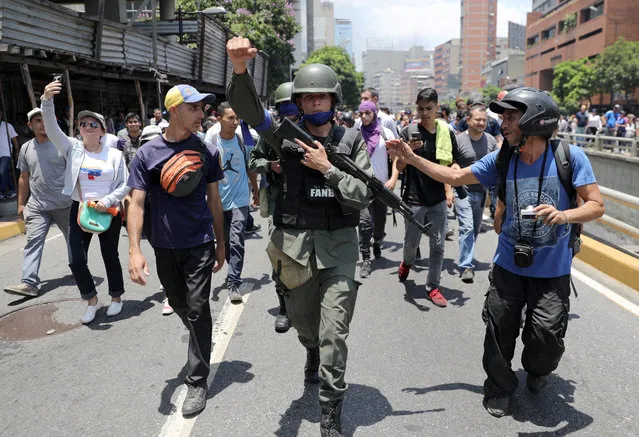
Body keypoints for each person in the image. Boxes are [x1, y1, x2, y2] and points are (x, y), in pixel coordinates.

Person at [386, 87, 604, 418]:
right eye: (501, 117)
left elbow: (596, 205)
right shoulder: (503, 158)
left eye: (511, 117)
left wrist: (565, 215)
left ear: (533, 119)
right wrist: (413, 158)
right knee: (499, 331)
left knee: (546, 340)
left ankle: (536, 368)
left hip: (553, 269)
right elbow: (456, 175)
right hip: (508, 266)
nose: (502, 123)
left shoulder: (570, 157)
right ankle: (500, 388)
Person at [226, 36, 372, 437]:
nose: (314, 105)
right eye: (307, 99)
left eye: (321, 98)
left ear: (333, 101)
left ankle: (330, 407)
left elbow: (363, 195)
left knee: (334, 333)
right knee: (305, 326)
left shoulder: (351, 140)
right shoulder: (284, 135)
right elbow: (251, 113)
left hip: (340, 249)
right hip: (295, 250)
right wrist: (240, 70)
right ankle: (309, 351)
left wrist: (328, 168)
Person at [127, 84, 225, 417]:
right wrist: (134, 250)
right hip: (164, 245)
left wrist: (221, 242)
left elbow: (215, 200)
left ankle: (198, 380)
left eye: (203, 109)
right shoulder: (147, 154)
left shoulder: (207, 151)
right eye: (195, 108)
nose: (202, 114)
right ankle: (201, 335)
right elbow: (136, 203)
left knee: (197, 307)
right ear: (175, 110)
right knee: (182, 304)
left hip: (199, 243)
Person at [41, 81, 129, 324]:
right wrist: (46, 101)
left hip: (108, 211)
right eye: (83, 123)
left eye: (93, 124)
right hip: (79, 210)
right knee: (76, 260)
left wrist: (108, 200)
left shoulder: (114, 154)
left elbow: (125, 184)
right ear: (78, 129)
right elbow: (50, 129)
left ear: (102, 130)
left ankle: (116, 298)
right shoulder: (73, 148)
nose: (88, 126)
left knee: (110, 255)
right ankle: (90, 300)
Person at [396, 87, 460, 308]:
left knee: (438, 245)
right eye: (420, 108)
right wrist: (408, 154)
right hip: (413, 199)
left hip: (437, 201)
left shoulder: (446, 132)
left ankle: (433, 287)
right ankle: (407, 263)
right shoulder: (408, 131)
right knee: (411, 244)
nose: (424, 113)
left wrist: (449, 190)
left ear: (437, 108)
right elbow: (399, 166)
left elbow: (451, 164)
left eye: (429, 109)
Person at [4, 108, 72, 297]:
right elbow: (23, 178)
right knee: (33, 242)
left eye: (45, 119)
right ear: (30, 125)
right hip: (37, 206)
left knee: (73, 243)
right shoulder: (26, 148)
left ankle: (80, 270)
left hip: (64, 204)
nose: (42, 123)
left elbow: (76, 174)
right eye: (37, 120)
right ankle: (29, 282)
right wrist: (20, 203)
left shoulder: (64, 144)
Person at [248, 81, 298, 333]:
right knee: (279, 260)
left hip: (311, 207)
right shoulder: (271, 134)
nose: (289, 112)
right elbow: (254, 159)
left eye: (293, 106)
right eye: (284, 107)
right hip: (280, 205)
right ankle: (284, 309)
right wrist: (270, 165)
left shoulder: (313, 130)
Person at [207, 101, 257, 303]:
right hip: (219, 200)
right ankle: (232, 270)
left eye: (237, 118)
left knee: (237, 240)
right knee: (225, 241)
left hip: (240, 198)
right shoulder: (211, 142)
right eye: (230, 118)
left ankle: (234, 281)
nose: (235, 122)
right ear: (219, 119)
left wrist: (256, 190)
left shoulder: (241, 139)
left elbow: (250, 166)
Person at [453, 104, 497, 283]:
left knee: (475, 228)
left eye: (484, 120)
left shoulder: (491, 141)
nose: (481, 123)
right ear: (468, 120)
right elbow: (451, 162)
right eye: (478, 119)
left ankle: (467, 255)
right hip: (462, 191)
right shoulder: (458, 140)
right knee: (467, 227)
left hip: (482, 192)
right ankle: (466, 266)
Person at [357, 100, 396, 278]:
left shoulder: (385, 133)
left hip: (381, 186)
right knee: (364, 224)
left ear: (374, 114)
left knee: (379, 225)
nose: (364, 116)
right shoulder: (356, 134)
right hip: (361, 186)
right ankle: (365, 258)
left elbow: (396, 158)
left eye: (368, 113)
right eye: (361, 113)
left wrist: (393, 179)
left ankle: (378, 241)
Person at [0, 108, 19, 200]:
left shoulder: (7, 126)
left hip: (6, 153)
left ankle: (1, 191)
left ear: (1, 115)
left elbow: (14, 140)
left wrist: (17, 151)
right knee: (5, 172)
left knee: (2, 171)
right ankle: (12, 189)